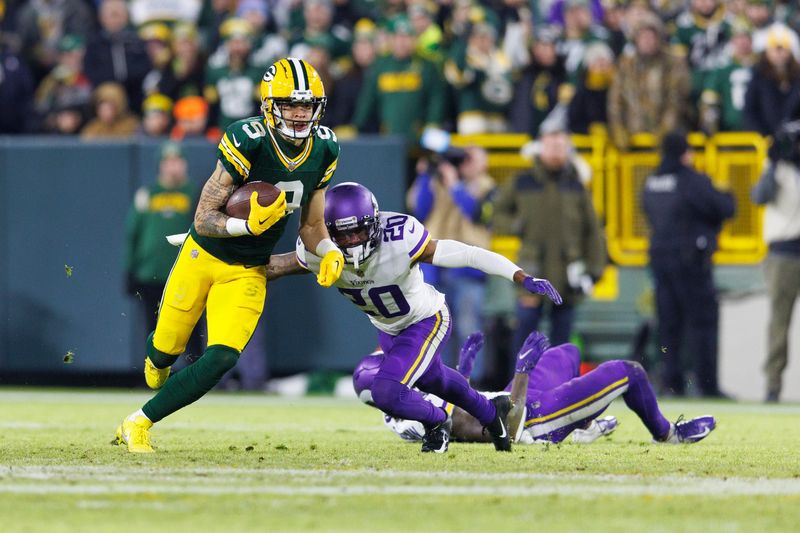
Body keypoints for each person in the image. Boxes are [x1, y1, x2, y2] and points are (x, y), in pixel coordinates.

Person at [114, 58, 345, 453]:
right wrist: (245, 226)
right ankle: (159, 353)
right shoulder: (247, 138)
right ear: (270, 106)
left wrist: (327, 250)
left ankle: (138, 422)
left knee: (221, 357)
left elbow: (311, 224)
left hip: (248, 270)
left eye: (307, 105)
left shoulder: (325, 146)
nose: (300, 112)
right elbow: (203, 219)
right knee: (161, 358)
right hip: (203, 255)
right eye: (291, 104)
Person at [267, 181, 563, 454]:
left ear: (375, 223)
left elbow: (469, 254)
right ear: (328, 235)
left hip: (426, 319)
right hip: (388, 329)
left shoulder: (401, 237)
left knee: (384, 390)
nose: (354, 241)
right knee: (438, 382)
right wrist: (227, 271)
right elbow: (277, 267)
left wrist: (520, 276)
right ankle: (490, 413)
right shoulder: (318, 251)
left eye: (359, 230)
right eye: (343, 235)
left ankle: (437, 424)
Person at [354, 330, 716, 446]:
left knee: (567, 353)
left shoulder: (405, 404)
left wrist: (462, 370)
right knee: (630, 372)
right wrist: (522, 371)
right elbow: (504, 429)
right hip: (531, 419)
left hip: (512, 399)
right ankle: (668, 434)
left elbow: (459, 400)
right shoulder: (418, 419)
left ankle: (582, 426)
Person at [493, 121, 606, 353]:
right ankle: (518, 387)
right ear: (541, 146)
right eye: (551, 145)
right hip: (532, 268)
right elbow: (496, 215)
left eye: (561, 145)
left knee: (562, 336)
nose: (556, 150)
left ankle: (558, 386)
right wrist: (516, 225)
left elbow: (592, 230)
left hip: (568, 272)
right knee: (525, 330)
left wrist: (594, 270)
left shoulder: (576, 186)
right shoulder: (522, 182)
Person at [642, 131, 735, 397]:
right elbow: (725, 207)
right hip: (691, 263)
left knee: (668, 324)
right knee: (702, 323)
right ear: (685, 152)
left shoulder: (652, 182)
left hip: (660, 261)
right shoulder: (692, 181)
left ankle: (671, 382)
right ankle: (707, 384)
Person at [407, 144, 496, 382]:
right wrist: (425, 175)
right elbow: (420, 210)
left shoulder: (488, 188)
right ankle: (439, 379)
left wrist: (455, 185)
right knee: (437, 327)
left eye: (471, 158)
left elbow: (477, 213)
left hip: (468, 267)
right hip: (435, 265)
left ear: (483, 164)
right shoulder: (437, 182)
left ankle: (471, 381)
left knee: (469, 326)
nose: (464, 163)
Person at [124, 141, 202, 359]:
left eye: (178, 161)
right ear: (160, 165)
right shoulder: (147, 194)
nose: (173, 166)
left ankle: (194, 378)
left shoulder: (194, 192)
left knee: (191, 328)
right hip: (151, 273)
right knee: (153, 328)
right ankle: (154, 375)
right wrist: (129, 269)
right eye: (168, 162)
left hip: (185, 272)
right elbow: (133, 233)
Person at [751, 122, 800, 403]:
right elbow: (759, 196)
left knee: (779, 323)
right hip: (783, 253)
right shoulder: (778, 170)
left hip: (788, 253)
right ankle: (773, 385)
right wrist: (773, 161)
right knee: (779, 325)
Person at [607, 11, 690, 149]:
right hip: (632, 140)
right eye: (643, 36)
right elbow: (615, 102)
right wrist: (618, 129)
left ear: (659, 39)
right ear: (636, 39)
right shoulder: (625, 65)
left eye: (651, 36)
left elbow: (675, 100)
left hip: (664, 141)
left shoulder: (673, 64)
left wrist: (665, 131)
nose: (647, 41)